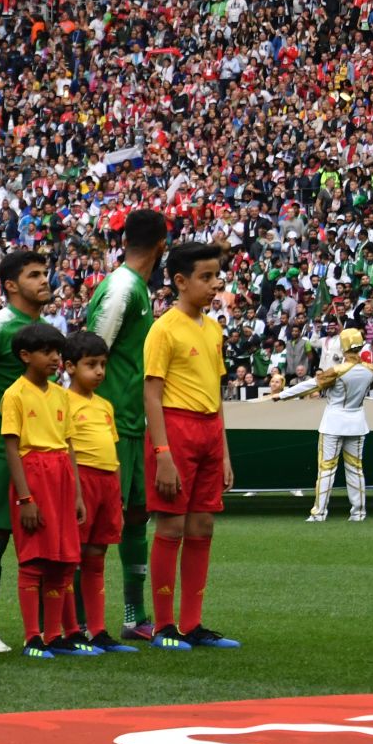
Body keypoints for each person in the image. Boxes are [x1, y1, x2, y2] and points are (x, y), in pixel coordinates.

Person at [143, 241, 241, 651]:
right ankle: (164, 626)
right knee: (172, 525)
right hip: (176, 430)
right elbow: (152, 393)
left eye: (217, 276)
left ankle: (193, 624)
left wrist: (225, 452)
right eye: (206, 277)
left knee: (202, 525)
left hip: (208, 431)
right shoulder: (164, 328)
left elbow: (215, 393)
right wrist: (163, 454)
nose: (215, 285)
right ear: (180, 282)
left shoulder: (213, 327)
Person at [84, 208, 167, 642]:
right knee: (97, 523)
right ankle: (82, 621)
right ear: (162, 245)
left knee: (136, 517)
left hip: (131, 423)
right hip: (106, 425)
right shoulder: (121, 287)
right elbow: (90, 349)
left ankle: (134, 617)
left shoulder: (135, 288)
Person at [0, 249, 54, 651]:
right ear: (10, 286)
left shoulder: (45, 330)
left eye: (45, 273)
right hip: (1, 445)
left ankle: (42, 627)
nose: (44, 280)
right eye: (34, 275)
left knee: (42, 535)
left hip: (46, 449)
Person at [0, 322, 95, 660]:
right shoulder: (15, 394)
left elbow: (68, 444)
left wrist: (78, 494)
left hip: (61, 477)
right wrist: (25, 498)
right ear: (25, 356)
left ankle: (54, 635)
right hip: (34, 475)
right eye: (48, 352)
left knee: (63, 561)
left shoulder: (59, 394)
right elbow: (12, 448)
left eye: (58, 352)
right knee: (35, 559)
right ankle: (32, 637)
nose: (55, 358)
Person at [63, 331, 136, 652]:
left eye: (103, 364)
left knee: (97, 557)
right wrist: (75, 491)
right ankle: (70, 630)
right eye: (91, 364)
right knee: (70, 560)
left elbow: (113, 450)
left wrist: (118, 493)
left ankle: (98, 630)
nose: (99, 371)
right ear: (69, 367)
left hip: (107, 484)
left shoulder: (105, 405)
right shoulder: (62, 401)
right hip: (82, 482)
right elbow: (67, 449)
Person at [274, 327, 373, 523]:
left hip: (334, 422)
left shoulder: (337, 370)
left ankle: (319, 513)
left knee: (327, 469)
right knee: (355, 469)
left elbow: (311, 385)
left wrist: (283, 395)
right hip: (357, 421)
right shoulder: (371, 369)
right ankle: (359, 512)